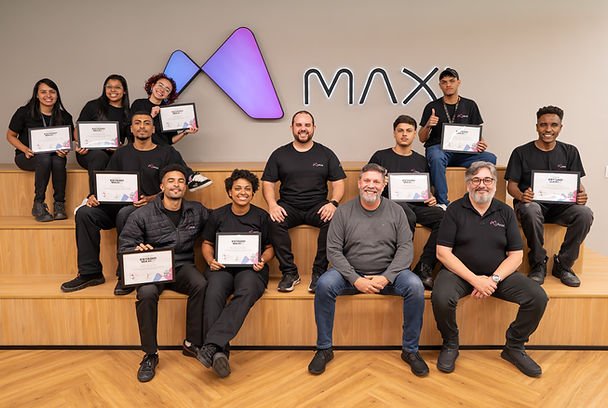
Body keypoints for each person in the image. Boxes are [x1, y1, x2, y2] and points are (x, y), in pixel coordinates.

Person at [308, 163, 428, 377]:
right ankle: (324, 349)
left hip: (389, 273)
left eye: (376, 181)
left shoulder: (397, 211)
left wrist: (387, 277)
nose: (371, 185)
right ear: (359, 183)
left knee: (415, 286)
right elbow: (333, 250)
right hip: (349, 274)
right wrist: (355, 279)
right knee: (324, 284)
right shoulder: (343, 211)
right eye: (367, 180)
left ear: (383, 185)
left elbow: (406, 248)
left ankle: (410, 350)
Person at [432, 161, 548, 377]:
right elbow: (443, 253)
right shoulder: (454, 210)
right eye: (476, 180)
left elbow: (516, 255)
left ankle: (514, 347)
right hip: (459, 274)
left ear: (494, 184)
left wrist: (493, 279)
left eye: (487, 180)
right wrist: (475, 280)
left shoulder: (505, 211)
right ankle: (450, 344)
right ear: (468, 184)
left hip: (498, 275)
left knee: (538, 297)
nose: (481, 185)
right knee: (441, 297)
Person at [60, 112, 183, 295]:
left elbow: (177, 184)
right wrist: (94, 197)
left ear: (153, 129)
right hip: (117, 207)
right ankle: (90, 272)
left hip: (150, 209)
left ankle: (125, 274)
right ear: (131, 129)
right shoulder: (121, 153)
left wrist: (152, 198)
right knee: (85, 213)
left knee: (126, 213)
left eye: (147, 123)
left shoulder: (167, 153)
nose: (142, 126)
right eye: (137, 123)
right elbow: (108, 183)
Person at [118, 164, 209, 382]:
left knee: (201, 284)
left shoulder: (197, 210)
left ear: (185, 187)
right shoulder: (142, 214)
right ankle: (150, 354)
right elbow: (125, 246)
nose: (176, 185)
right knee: (147, 293)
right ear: (161, 186)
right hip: (152, 269)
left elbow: (218, 222)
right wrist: (136, 249)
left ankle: (191, 343)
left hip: (182, 265)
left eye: (180, 181)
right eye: (171, 181)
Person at [196, 169, 274, 378]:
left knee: (248, 290)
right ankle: (219, 352)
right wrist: (210, 260)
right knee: (213, 291)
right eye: (238, 188)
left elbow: (269, 248)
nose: (243, 192)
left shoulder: (261, 216)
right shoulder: (217, 215)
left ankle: (211, 346)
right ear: (230, 192)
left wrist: (262, 260)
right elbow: (207, 243)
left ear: (253, 193)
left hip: (251, 269)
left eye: (247, 189)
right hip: (221, 267)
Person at [505, 106, 593, 287]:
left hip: (561, 209)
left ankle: (563, 265)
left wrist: (581, 195)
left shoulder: (570, 151)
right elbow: (511, 186)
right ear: (537, 126)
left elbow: (578, 185)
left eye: (554, 125)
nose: (548, 129)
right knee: (531, 209)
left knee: (585, 213)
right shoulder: (521, 152)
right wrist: (522, 196)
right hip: (531, 207)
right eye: (543, 124)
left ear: (561, 127)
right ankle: (538, 263)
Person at [262, 110, 346, 293]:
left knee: (335, 219)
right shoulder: (279, 154)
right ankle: (290, 273)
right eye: (299, 125)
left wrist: (333, 203)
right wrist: (272, 205)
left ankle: (319, 272)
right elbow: (267, 183)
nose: (303, 128)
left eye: (307, 125)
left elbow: (339, 183)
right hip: (288, 206)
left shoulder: (326, 153)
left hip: (318, 206)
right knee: (273, 220)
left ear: (314, 128)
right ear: (292, 127)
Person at [369, 114, 444, 289]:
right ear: (394, 133)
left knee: (444, 216)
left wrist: (430, 196)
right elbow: (368, 183)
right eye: (400, 130)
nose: (404, 134)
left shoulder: (421, 160)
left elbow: (427, 187)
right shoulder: (380, 157)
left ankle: (424, 267)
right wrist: (380, 183)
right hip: (389, 205)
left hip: (417, 205)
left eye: (409, 131)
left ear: (414, 134)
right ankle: (401, 269)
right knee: (406, 214)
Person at [419, 68, 497, 207]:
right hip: (440, 150)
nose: (448, 84)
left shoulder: (470, 105)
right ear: (440, 85)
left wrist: (482, 143)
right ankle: (443, 203)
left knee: (490, 158)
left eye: (451, 81)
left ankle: (478, 198)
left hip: (464, 152)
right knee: (436, 157)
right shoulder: (432, 106)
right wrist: (428, 125)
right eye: (444, 82)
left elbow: (477, 133)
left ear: (458, 82)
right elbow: (422, 138)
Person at [6, 78, 73, 222]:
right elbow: (10, 136)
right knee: (44, 158)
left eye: (52, 92)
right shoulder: (24, 112)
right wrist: (25, 149)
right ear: (36, 95)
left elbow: (68, 140)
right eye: (43, 92)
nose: (48, 95)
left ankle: (59, 205)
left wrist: (65, 150)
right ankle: (38, 204)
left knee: (58, 160)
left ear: (57, 95)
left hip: (54, 157)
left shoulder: (65, 116)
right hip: (27, 156)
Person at [131, 73, 211, 191]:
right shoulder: (139, 104)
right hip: (143, 146)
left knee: (169, 150)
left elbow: (170, 140)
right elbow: (134, 128)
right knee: (169, 151)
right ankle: (191, 177)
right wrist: (151, 116)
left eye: (167, 89)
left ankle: (190, 178)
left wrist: (185, 132)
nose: (162, 90)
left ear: (168, 95)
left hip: (161, 150)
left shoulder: (168, 111)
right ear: (152, 86)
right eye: (160, 85)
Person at [75, 74, 131, 196]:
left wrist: (120, 148)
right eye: (109, 87)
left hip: (114, 153)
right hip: (88, 152)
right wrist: (80, 144)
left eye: (117, 87)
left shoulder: (128, 113)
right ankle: (94, 197)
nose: (112, 90)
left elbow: (131, 142)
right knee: (100, 156)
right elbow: (77, 129)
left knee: (127, 160)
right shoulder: (92, 106)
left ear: (124, 91)